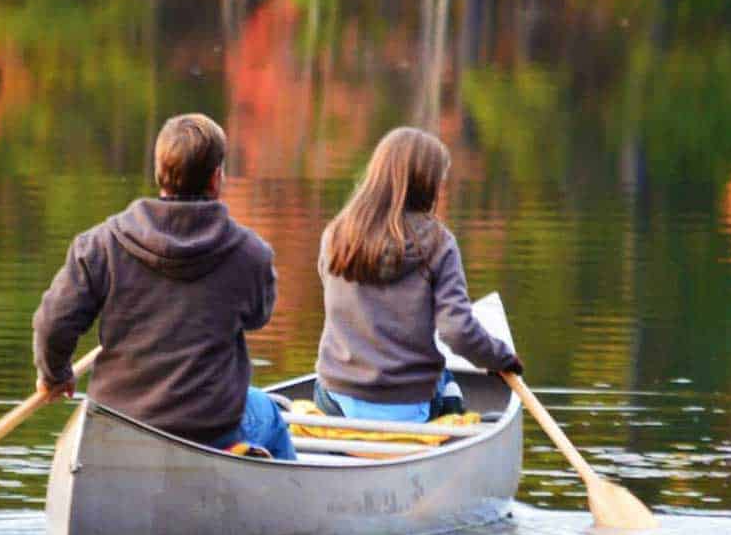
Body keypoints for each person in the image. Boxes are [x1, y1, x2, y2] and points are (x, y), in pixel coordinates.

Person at [31, 113, 294, 460]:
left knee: (263, 409)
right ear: (216, 179)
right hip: (209, 425)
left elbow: (53, 322)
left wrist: (54, 375)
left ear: (160, 174)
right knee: (273, 417)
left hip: (119, 421)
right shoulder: (250, 254)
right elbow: (258, 317)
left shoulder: (99, 245)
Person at [314, 127, 521, 423]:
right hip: (409, 406)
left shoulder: (336, 234)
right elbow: (457, 331)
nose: (441, 190)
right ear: (426, 184)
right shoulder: (439, 243)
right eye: (440, 182)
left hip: (336, 401)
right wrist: (502, 358)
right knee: (446, 377)